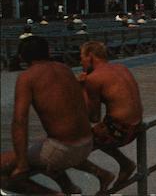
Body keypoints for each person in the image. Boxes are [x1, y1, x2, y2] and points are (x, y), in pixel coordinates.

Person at [0, 36, 93, 195]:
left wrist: (22, 164)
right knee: (40, 148)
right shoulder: (65, 69)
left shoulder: (27, 77)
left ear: (22, 57)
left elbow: (19, 121)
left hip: (63, 150)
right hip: (86, 144)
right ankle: (70, 188)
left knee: (6, 167)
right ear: (48, 51)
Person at [75, 41, 143, 192]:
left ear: (90, 56)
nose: (80, 62)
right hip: (137, 126)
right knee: (99, 132)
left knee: (70, 149)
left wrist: (81, 88)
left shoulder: (94, 78)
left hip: (121, 131)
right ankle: (125, 164)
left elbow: (93, 117)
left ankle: (102, 175)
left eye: (82, 57)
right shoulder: (121, 67)